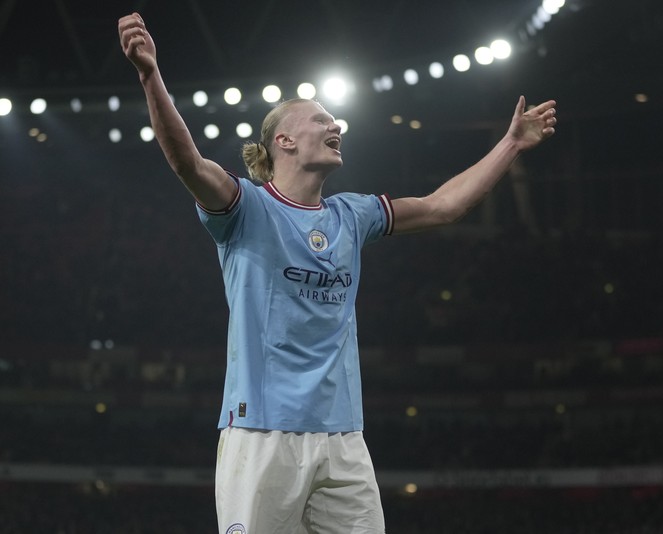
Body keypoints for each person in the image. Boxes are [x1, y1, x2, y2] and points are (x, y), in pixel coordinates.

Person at [118, 11, 556, 534]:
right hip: (261, 431)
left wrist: (510, 144)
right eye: (321, 120)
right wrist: (150, 74)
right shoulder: (246, 208)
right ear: (283, 140)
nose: (336, 127)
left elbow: (443, 206)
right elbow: (188, 162)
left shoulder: (355, 214)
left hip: (343, 436)